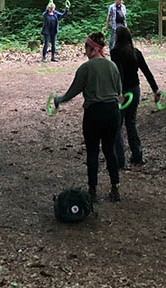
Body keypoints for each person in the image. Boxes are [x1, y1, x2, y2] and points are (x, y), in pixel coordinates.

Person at [53, 32, 123, 203]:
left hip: (94, 113)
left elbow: (73, 91)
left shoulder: (86, 68)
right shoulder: (112, 66)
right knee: (110, 150)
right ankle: (115, 189)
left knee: (92, 152)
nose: (84, 50)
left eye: (86, 47)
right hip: (113, 113)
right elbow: (119, 92)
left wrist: (58, 99)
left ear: (92, 48)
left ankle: (93, 191)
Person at [110, 27, 160, 168]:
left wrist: (119, 93)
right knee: (131, 123)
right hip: (135, 90)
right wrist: (155, 90)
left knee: (117, 125)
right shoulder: (135, 52)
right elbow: (147, 72)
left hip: (123, 92)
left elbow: (118, 73)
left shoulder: (115, 52)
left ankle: (120, 160)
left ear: (118, 37)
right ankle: (137, 155)